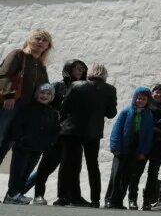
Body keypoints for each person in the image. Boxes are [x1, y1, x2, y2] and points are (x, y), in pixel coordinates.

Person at [22, 59, 86, 204]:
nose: (80, 71)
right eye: (77, 68)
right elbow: (45, 103)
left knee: (69, 167)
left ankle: (70, 196)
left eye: (82, 69)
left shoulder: (82, 88)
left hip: (72, 133)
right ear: (68, 69)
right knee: (46, 166)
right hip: (56, 132)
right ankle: (36, 194)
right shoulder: (59, 85)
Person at [57, 64, 118, 207]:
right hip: (93, 132)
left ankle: (63, 196)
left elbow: (64, 107)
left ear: (89, 72)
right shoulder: (110, 89)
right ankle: (95, 199)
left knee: (67, 163)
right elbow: (111, 113)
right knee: (93, 165)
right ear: (105, 74)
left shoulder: (77, 85)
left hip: (72, 130)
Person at [0, 29, 53, 166]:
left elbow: (44, 87)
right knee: (1, 140)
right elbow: (4, 74)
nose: (41, 42)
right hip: (10, 106)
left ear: (48, 46)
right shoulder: (18, 55)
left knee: (8, 144)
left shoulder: (41, 66)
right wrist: (9, 95)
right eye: (38, 38)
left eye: (44, 40)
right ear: (30, 40)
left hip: (27, 110)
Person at [4, 84, 58, 204]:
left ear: (52, 97)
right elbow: (17, 125)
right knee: (17, 172)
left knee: (26, 173)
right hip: (23, 147)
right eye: (42, 93)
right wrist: (21, 139)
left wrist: (48, 144)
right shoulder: (27, 108)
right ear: (37, 94)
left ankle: (17, 195)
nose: (45, 96)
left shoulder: (52, 113)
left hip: (38, 149)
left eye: (48, 94)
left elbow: (54, 131)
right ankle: (12, 194)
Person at [106, 86, 155, 210]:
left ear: (147, 100)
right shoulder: (126, 112)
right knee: (116, 175)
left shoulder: (148, 115)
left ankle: (118, 201)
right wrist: (115, 147)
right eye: (138, 98)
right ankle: (110, 199)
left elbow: (149, 135)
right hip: (122, 147)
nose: (140, 101)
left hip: (135, 148)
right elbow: (117, 130)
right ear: (134, 98)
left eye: (143, 99)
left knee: (127, 176)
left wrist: (143, 151)